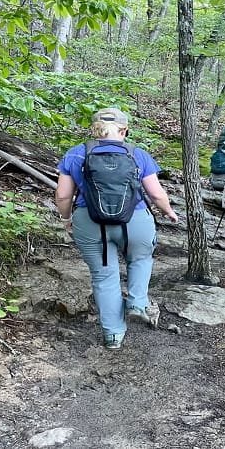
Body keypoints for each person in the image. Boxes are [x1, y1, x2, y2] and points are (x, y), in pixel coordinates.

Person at [55, 108, 179, 350]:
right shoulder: (137, 154)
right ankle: (136, 302)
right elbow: (155, 193)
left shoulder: (76, 154)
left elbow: (62, 195)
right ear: (124, 131)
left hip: (90, 222)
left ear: (94, 129)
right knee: (141, 259)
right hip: (135, 222)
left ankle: (113, 335)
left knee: (104, 276)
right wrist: (169, 212)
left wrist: (66, 218)